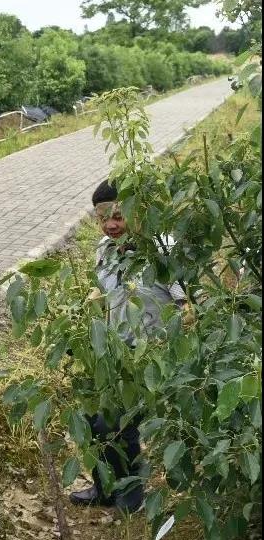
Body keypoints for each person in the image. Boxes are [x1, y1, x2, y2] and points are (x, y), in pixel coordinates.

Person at [70, 180, 187, 513]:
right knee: (95, 419)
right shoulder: (103, 250)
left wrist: (171, 347)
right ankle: (105, 488)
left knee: (123, 425)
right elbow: (102, 293)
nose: (110, 225)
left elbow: (187, 307)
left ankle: (132, 496)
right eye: (103, 217)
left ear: (138, 211)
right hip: (115, 354)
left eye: (119, 216)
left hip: (152, 357)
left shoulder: (161, 250)